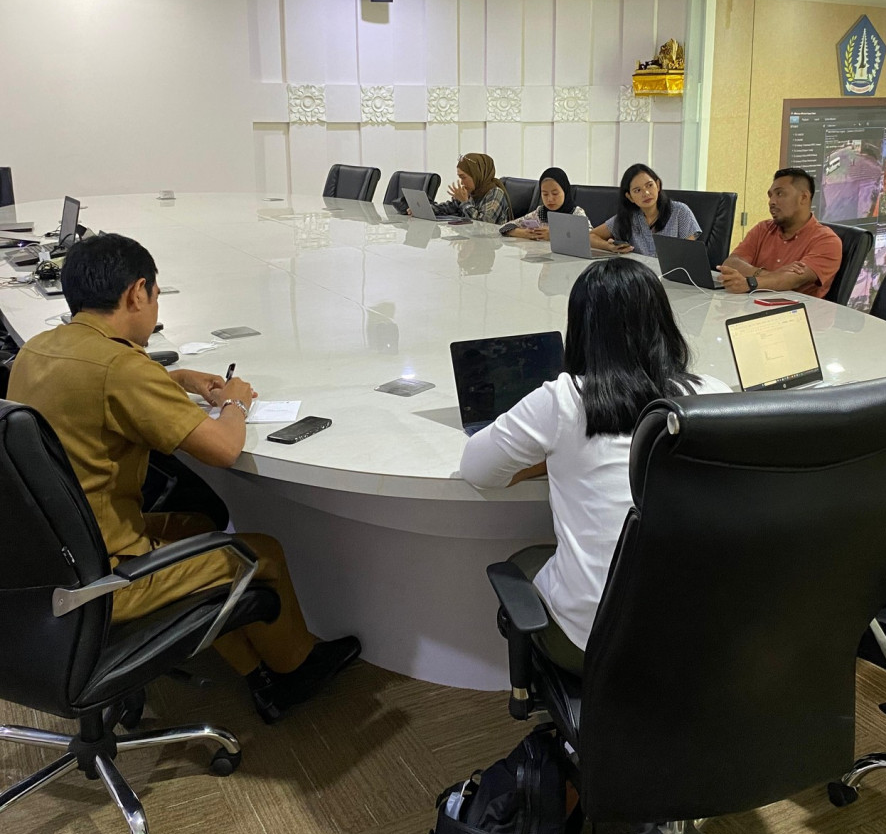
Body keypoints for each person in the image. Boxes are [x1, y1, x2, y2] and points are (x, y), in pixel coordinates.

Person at [7, 233, 360, 723]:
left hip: (46, 553)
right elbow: (222, 448)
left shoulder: (40, 349)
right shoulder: (122, 368)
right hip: (104, 574)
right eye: (155, 295)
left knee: (197, 524)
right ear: (137, 293)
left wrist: (177, 379)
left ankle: (253, 673)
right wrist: (235, 401)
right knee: (263, 554)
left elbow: (100, 383)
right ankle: (292, 673)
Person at [460, 259, 731, 674]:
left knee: (527, 560)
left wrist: (548, 461)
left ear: (582, 328)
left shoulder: (563, 400)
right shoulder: (713, 395)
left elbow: (477, 469)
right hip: (700, 632)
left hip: (597, 645)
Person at [719, 168, 841, 297]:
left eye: (780, 194)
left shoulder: (827, 241)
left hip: (797, 313)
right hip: (753, 305)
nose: (771, 201)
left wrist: (750, 282)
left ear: (804, 197)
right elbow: (731, 263)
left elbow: (793, 281)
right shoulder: (762, 229)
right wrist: (770, 275)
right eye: (770, 195)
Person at [589, 163, 700, 255]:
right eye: (637, 190)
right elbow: (590, 236)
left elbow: (688, 256)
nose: (646, 193)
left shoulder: (680, 211)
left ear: (658, 185)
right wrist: (609, 247)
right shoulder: (628, 216)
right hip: (637, 276)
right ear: (630, 197)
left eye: (649, 185)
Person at [500, 167, 590, 239]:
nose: (550, 199)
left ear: (565, 191)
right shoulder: (540, 213)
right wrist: (523, 233)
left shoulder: (576, 213)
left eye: (555, 193)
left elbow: (591, 236)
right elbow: (505, 227)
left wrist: (555, 235)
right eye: (545, 194)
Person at [430, 152, 512, 225]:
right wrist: (427, 208)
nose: (461, 182)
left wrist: (465, 202)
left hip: (491, 241)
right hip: (470, 239)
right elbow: (447, 208)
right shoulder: (471, 191)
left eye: (463, 177)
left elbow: (485, 225)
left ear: (477, 175)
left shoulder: (495, 193)